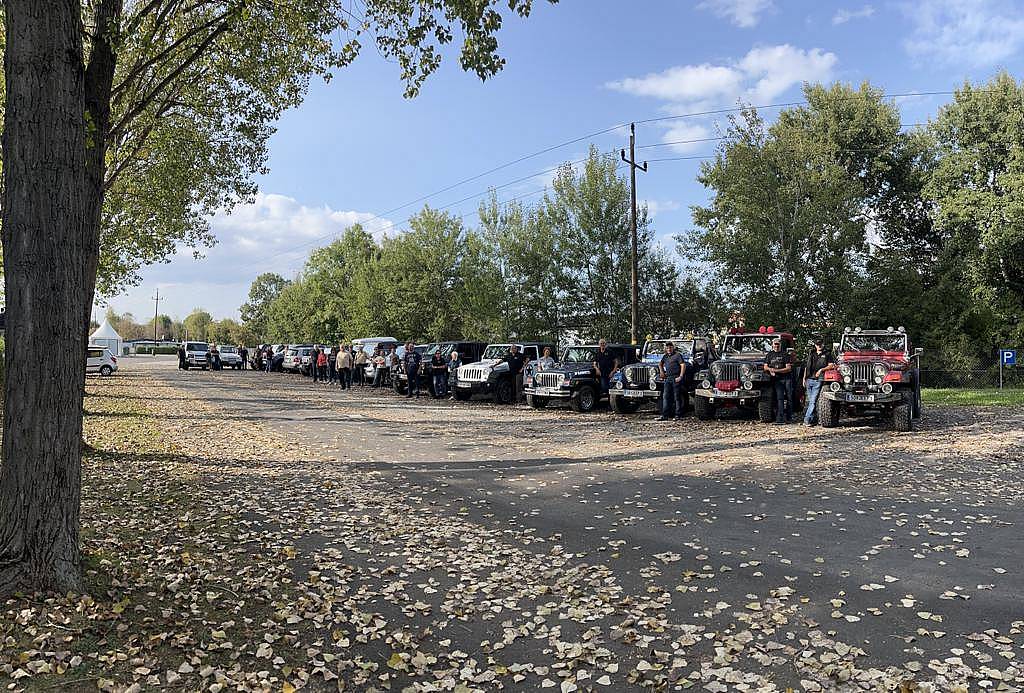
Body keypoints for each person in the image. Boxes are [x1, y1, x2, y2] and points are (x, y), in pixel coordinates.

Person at [803, 339, 835, 426]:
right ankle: (814, 419)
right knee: (811, 401)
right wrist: (804, 379)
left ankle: (806, 420)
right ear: (815, 345)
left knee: (813, 401)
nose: (819, 346)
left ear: (823, 344)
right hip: (809, 380)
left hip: (818, 380)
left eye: (820, 344)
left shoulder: (827, 354)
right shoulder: (811, 353)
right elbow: (806, 367)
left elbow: (831, 365)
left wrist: (821, 370)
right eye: (817, 344)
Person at [764, 338, 794, 424]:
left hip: (787, 379)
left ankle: (789, 417)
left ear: (780, 345)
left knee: (789, 398)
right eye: (775, 344)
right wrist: (770, 370)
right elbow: (765, 367)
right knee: (779, 399)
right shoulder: (769, 355)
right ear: (772, 345)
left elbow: (788, 368)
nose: (776, 346)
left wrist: (776, 371)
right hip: (777, 380)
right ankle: (780, 418)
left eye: (778, 344)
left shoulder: (785, 354)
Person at [658, 341, 687, 421]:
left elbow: (683, 365)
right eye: (667, 348)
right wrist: (662, 372)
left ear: (673, 348)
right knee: (666, 396)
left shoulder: (677, 355)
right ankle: (665, 415)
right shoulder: (665, 356)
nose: (669, 349)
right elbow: (660, 364)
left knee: (677, 397)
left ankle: (678, 415)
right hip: (668, 378)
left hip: (676, 377)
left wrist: (681, 376)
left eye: (670, 347)